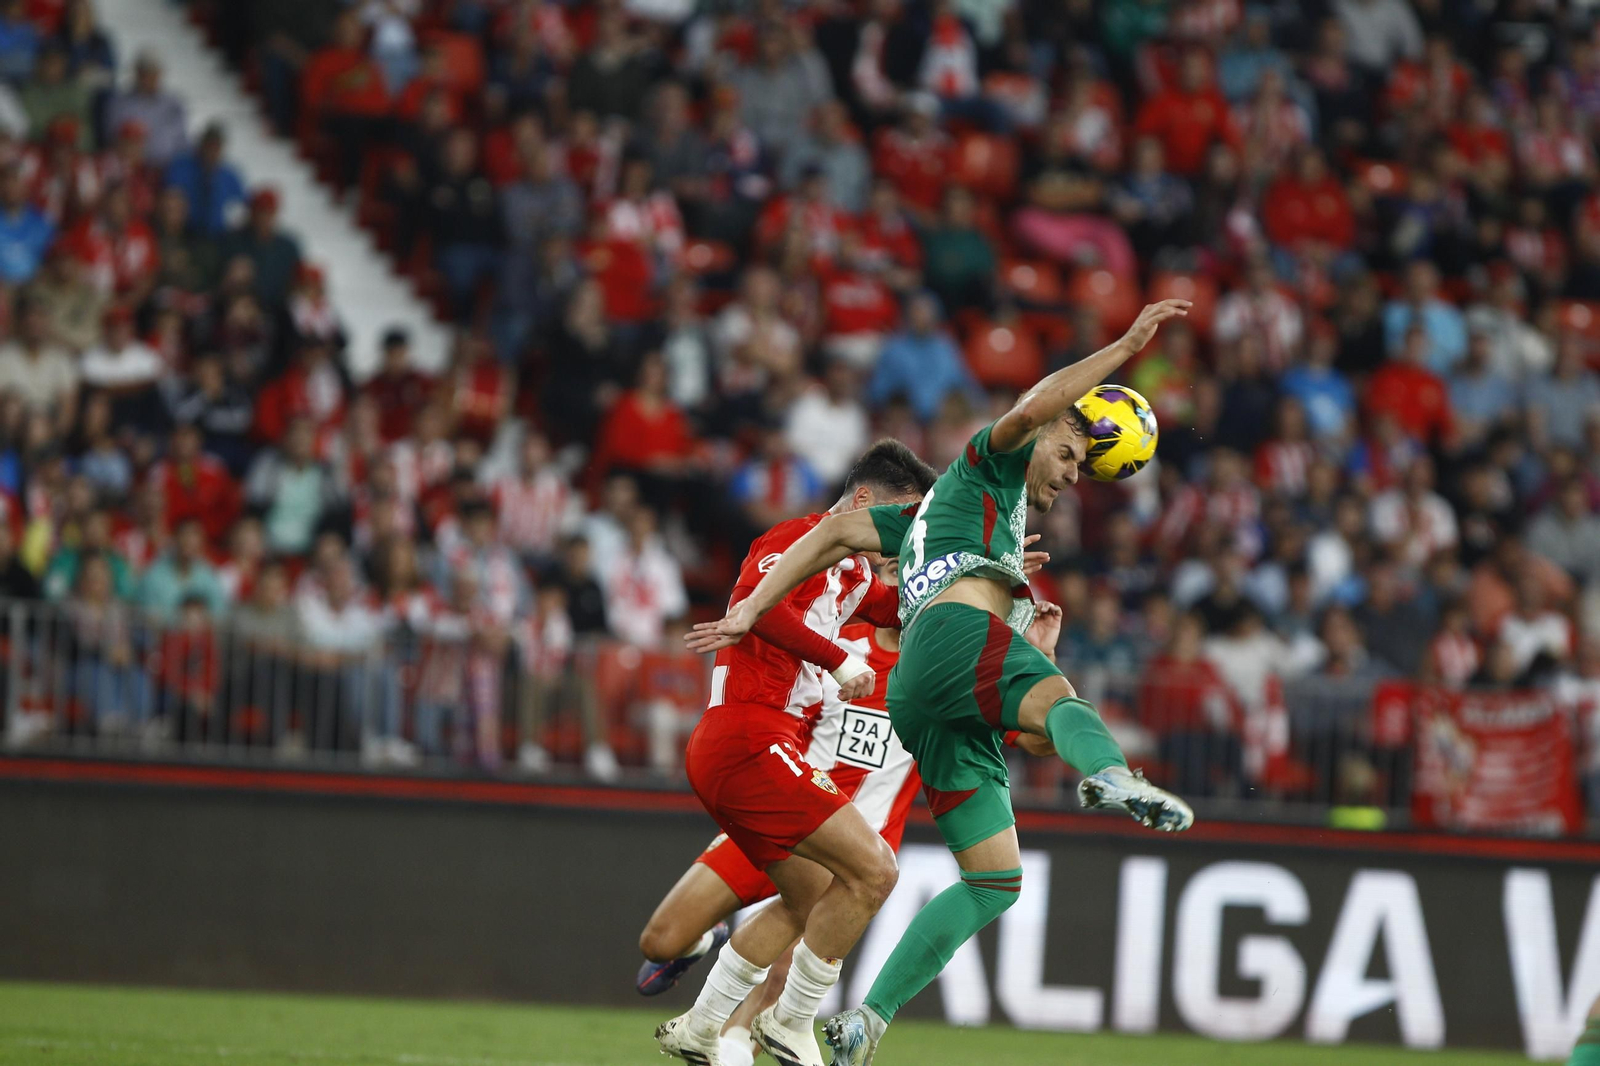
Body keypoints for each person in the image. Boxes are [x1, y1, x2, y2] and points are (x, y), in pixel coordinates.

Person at [688, 300, 1197, 1065]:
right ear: (1056, 428)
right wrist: (1124, 346)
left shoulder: (934, 519)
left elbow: (830, 535)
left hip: (921, 697)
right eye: (1070, 454)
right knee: (1061, 695)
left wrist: (754, 604)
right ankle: (1112, 774)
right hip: (952, 643)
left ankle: (868, 1019)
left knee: (995, 879)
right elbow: (1032, 406)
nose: (1072, 473)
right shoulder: (987, 463)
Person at [653, 442, 940, 1066]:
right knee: (875, 873)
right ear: (863, 503)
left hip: (760, 746)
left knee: (811, 896)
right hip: (749, 737)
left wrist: (979, 574)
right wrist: (840, 658)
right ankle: (789, 1023)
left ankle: (704, 1027)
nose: (902, 535)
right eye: (901, 517)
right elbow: (756, 608)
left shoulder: (858, 573)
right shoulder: (800, 537)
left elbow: (905, 607)